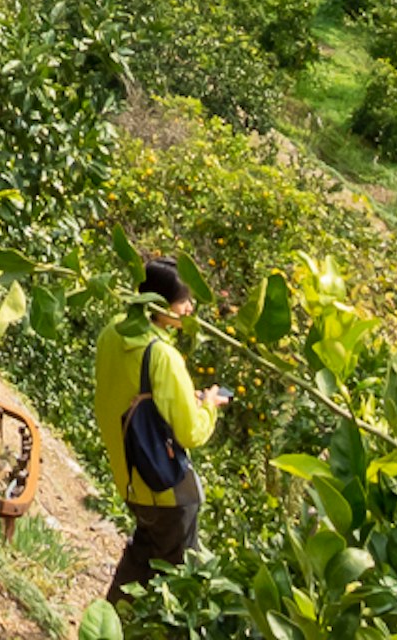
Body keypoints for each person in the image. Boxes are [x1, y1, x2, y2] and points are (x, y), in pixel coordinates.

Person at [95, 257, 224, 600]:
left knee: (140, 560)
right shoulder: (162, 355)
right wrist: (209, 406)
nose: (190, 308)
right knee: (179, 587)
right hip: (167, 490)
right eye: (183, 302)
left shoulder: (113, 332)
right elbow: (192, 433)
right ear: (158, 304)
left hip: (131, 480)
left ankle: (106, 627)